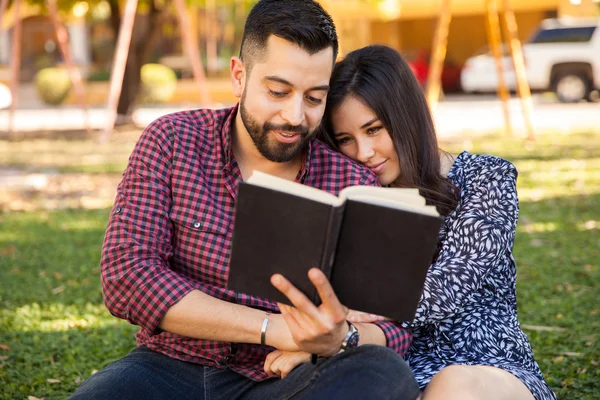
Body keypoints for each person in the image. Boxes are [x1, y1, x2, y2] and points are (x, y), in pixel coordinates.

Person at [69, 2, 419, 399]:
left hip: (283, 379)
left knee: (382, 374)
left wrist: (337, 340)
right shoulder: (171, 141)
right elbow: (127, 276)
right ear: (239, 76)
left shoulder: (350, 179)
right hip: (168, 368)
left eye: (314, 98)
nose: (294, 116)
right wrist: (272, 327)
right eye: (278, 91)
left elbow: (393, 326)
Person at [266, 45, 557, 400]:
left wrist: (344, 327)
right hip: (390, 369)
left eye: (374, 129)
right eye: (346, 139)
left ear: (405, 116)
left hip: (485, 367)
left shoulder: (487, 177)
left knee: (453, 385)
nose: (364, 152)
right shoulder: (352, 199)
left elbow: (451, 285)